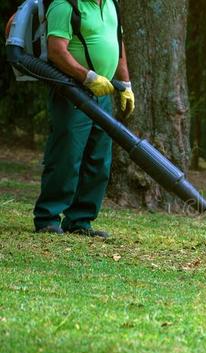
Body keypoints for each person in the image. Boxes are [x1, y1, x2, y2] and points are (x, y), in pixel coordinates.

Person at [33, 0, 135, 238]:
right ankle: (48, 218)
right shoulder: (65, 5)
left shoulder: (112, 4)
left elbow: (118, 45)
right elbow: (57, 50)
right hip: (73, 91)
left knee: (99, 160)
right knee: (66, 156)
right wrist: (88, 77)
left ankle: (80, 220)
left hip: (103, 93)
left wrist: (126, 84)